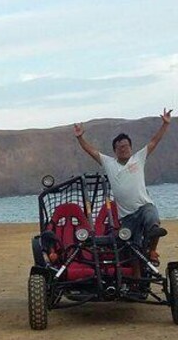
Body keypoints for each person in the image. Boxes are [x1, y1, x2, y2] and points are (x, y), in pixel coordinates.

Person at [73, 108, 172, 266]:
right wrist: (80, 138)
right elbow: (90, 150)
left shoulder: (138, 159)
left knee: (153, 220)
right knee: (132, 250)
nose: (123, 149)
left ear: (131, 148)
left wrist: (165, 124)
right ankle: (136, 282)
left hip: (143, 206)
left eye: (126, 146)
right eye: (120, 147)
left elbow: (154, 141)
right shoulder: (109, 163)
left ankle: (153, 250)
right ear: (115, 151)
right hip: (126, 216)